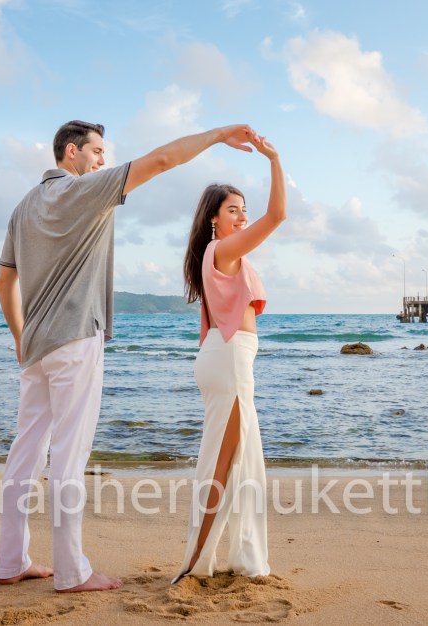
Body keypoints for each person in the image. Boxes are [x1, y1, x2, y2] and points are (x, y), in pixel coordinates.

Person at [0, 119, 258, 594]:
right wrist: (218, 135)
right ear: (71, 152)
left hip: (35, 344)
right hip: (74, 340)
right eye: (97, 152)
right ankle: (72, 572)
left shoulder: (22, 207)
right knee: (69, 458)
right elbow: (161, 161)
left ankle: (11, 560)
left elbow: (4, 282)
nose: (102, 160)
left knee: (25, 453)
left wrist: (19, 336)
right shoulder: (83, 190)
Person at [174, 134, 285, 582]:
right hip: (229, 361)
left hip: (224, 358)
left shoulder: (215, 253)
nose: (242, 216)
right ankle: (196, 564)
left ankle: (220, 559)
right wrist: (275, 159)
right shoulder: (223, 249)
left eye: (243, 208)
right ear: (215, 220)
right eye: (233, 210)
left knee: (233, 460)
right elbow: (278, 215)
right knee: (228, 462)